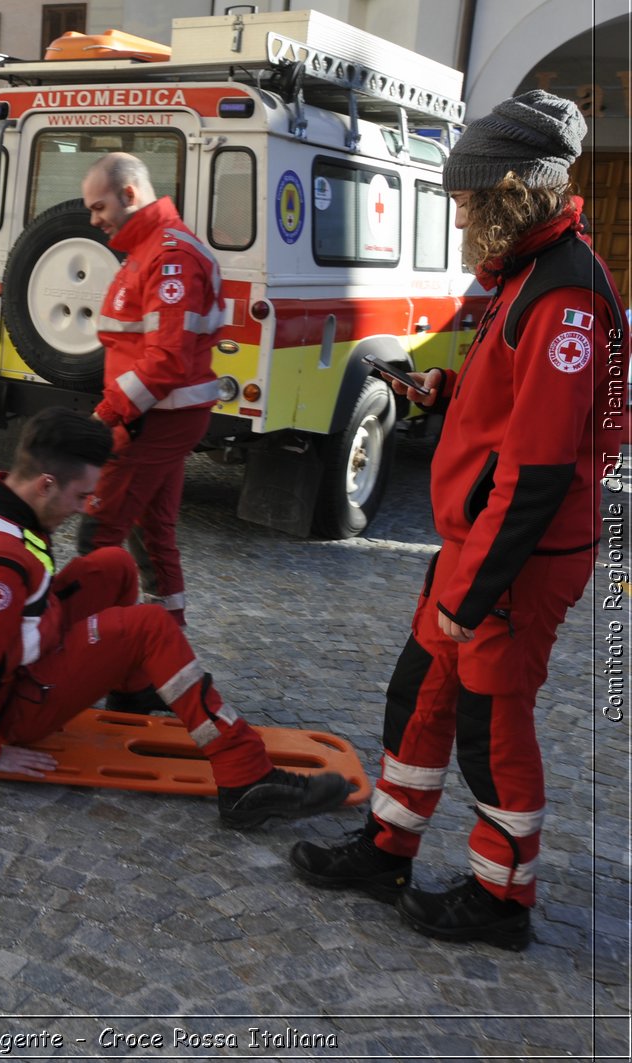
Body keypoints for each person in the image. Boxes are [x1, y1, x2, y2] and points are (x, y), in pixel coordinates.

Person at [290, 91, 624, 950]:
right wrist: (444, 394)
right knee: (420, 698)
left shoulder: (565, 298)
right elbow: (515, 413)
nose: (459, 210)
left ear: (512, 190)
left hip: (518, 557)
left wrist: (469, 595)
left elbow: (544, 469)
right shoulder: (525, 274)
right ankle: (387, 848)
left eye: (467, 197)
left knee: (491, 728)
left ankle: (501, 898)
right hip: (481, 544)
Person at [0, 407, 347, 829]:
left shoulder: (1, 498)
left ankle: (131, 694)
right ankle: (246, 778)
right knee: (148, 625)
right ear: (46, 484)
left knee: (114, 563)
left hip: (26, 642)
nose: (84, 508)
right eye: (81, 496)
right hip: (12, 707)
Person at [74, 152, 223, 627]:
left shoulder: (169, 256)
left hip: (153, 419)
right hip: (158, 417)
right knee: (153, 534)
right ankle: (163, 642)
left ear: (130, 195)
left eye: (99, 208)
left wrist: (107, 415)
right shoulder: (151, 249)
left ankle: (102, 648)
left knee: (98, 536)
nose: (94, 220)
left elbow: (167, 359)